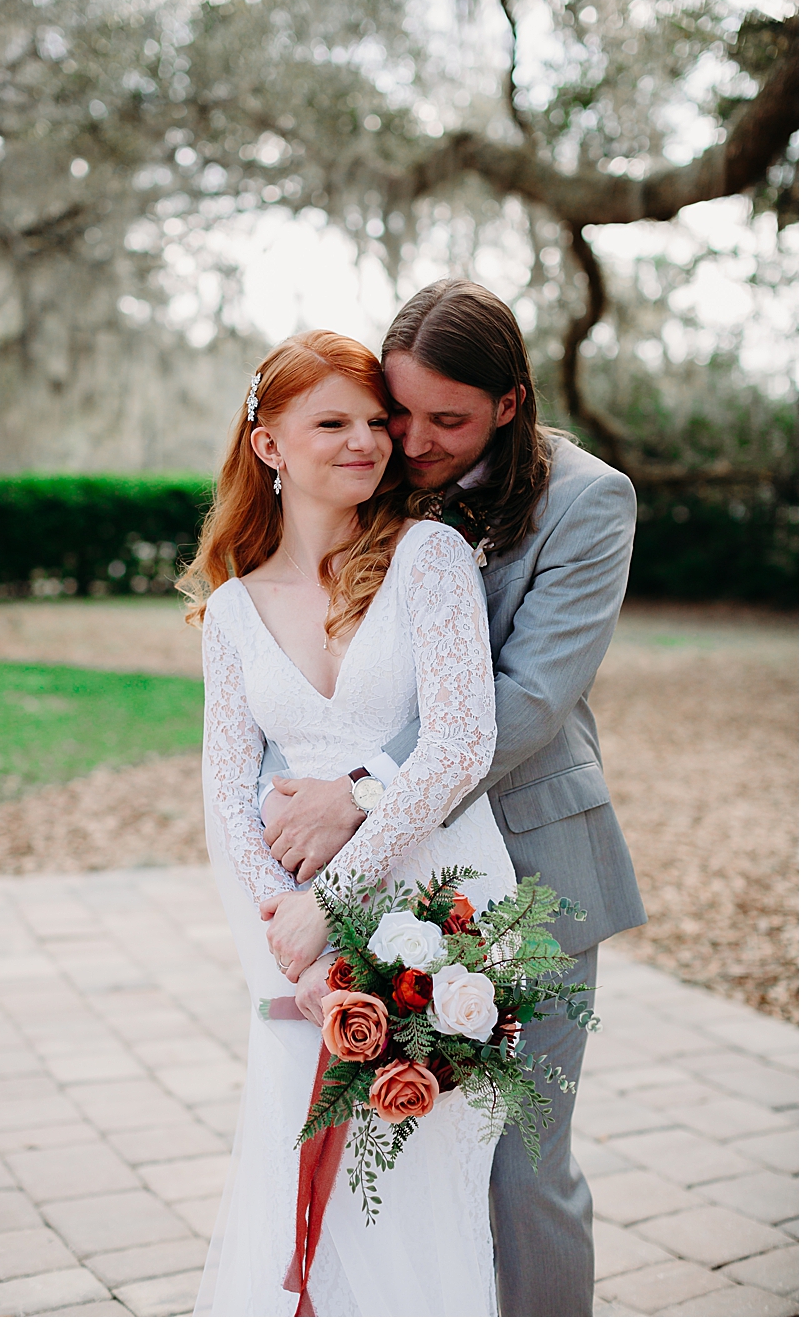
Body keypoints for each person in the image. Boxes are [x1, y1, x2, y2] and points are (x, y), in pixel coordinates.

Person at [253, 279, 643, 1316]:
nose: (412, 441)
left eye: (447, 420)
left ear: (509, 404)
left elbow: (531, 699)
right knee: (400, 1159)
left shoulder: (589, 502)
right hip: (395, 875)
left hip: (537, 868)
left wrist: (359, 796)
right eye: (399, 411)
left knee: (522, 1166)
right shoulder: (376, 472)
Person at [184, 329, 517, 1315]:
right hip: (292, 942)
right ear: (270, 445)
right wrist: (282, 925)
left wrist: (329, 899)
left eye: (376, 421)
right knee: (307, 1178)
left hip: (442, 906)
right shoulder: (234, 612)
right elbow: (225, 790)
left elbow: (461, 744)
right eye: (332, 421)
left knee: (418, 1178)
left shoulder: (431, 557)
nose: (367, 441)